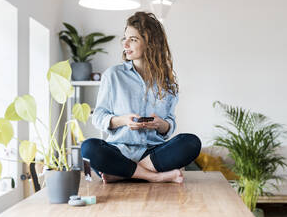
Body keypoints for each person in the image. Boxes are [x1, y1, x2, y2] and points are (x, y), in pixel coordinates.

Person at [81, 12, 201, 184]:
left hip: (153, 153)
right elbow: (99, 117)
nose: (125, 43)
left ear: (150, 43)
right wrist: (123, 120)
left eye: (133, 39)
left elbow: (170, 123)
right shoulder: (113, 75)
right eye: (125, 38)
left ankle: (123, 173)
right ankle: (153, 176)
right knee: (89, 148)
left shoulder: (167, 82)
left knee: (191, 142)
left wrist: (161, 124)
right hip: (118, 151)